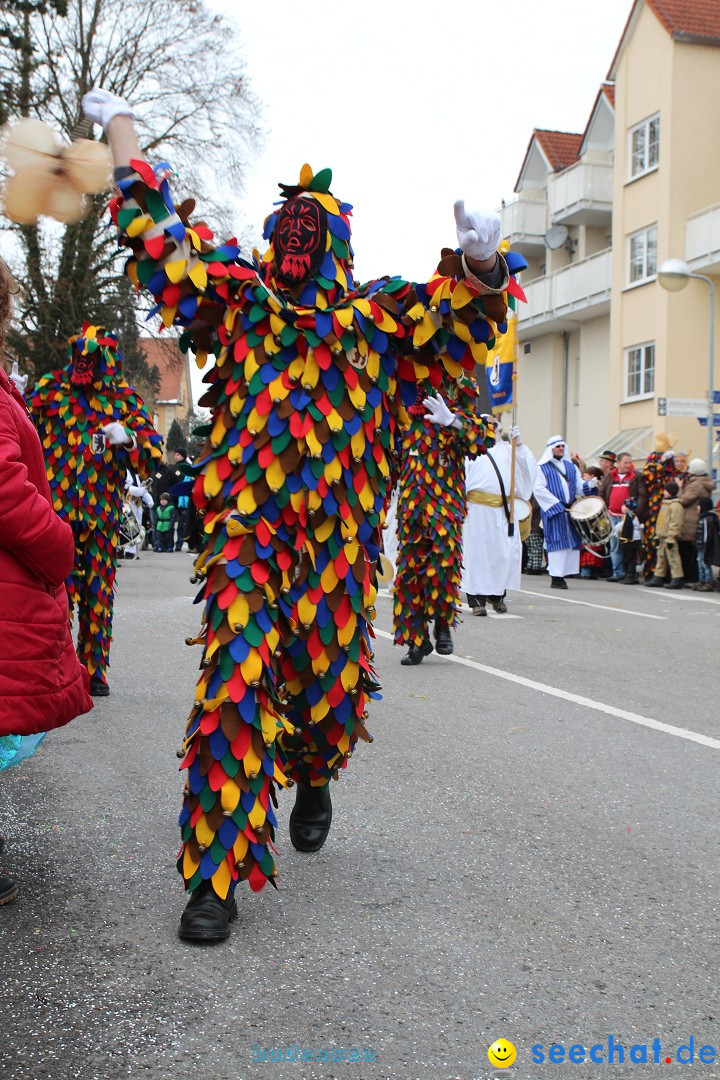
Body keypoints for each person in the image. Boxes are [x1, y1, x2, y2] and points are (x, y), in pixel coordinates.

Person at [83, 86, 526, 941]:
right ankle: (214, 878)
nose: (293, 243)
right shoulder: (239, 303)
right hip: (250, 538)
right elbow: (159, 240)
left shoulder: (380, 320)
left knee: (323, 691)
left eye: (309, 232)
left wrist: (476, 267)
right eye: (284, 229)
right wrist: (123, 135)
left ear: (336, 246)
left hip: (341, 546)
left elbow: (455, 323)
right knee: (234, 681)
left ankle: (315, 772)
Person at [0, 260, 93, 907]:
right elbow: (9, 492)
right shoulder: (48, 392)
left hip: (96, 516)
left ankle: (101, 666)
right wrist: (58, 544)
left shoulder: (113, 403)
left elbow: (145, 446)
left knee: (98, 614)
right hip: (32, 552)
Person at [22, 325, 163, 696]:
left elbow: (153, 457)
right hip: (55, 517)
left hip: (101, 518)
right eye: (79, 356)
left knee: (98, 594)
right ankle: (53, 669)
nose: (84, 363)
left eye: (92, 356)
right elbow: (17, 429)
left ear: (106, 360)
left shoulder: (124, 401)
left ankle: (94, 670)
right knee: (54, 595)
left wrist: (130, 440)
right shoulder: (50, 391)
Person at [394, 376, 489, 664]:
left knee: (443, 566)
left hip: (445, 505)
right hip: (411, 506)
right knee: (410, 574)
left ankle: (443, 625)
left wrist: (454, 421)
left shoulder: (454, 399)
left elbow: (484, 439)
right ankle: (416, 640)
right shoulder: (402, 406)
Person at [461, 421, 537, 615]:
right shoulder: (470, 451)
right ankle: (476, 600)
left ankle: (496, 596)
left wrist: (519, 447)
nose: (491, 428)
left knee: (501, 554)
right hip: (476, 511)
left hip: (502, 510)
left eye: (495, 425)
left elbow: (527, 471)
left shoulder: (507, 450)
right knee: (477, 555)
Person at [533, 436, 596, 589]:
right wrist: (555, 504)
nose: (560, 448)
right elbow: (538, 489)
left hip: (570, 510)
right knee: (557, 542)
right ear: (550, 449)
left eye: (562, 446)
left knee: (570, 542)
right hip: (555, 510)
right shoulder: (542, 467)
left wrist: (590, 484)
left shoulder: (571, 467)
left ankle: (564, 573)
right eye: (557, 446)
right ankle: (556, 576)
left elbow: (579, 486)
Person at [599, 451, 648, 582]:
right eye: (625, 462)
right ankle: (617, 572)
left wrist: (636, 512)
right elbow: (602, 493)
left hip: (628, 516)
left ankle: (628, 572)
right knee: (614, 545)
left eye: (629, 462)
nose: (628, 465)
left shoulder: (636, 476)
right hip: (612, 514)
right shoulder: (610, 476)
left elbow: (642, 495)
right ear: (618, 463)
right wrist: (603, 509)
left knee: (628, 545)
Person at [641, 435, 678, 579]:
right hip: (653, 508)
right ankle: (651, 571)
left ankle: (666, 573)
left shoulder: (671, 470)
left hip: (666, 508)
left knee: (665, 541)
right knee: (651, 540)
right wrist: (659, 464)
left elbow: (673, 480)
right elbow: (648, 477)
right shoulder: (652, 464)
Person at [678, 458, 714, 585]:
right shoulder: (706, 482)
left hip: (690, 521)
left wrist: (679, 487)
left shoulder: (695, 485)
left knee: (687, 551)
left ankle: (691, 577)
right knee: (694, 552)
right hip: (696, 519)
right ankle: (697, 577)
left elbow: (683, 500)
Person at [645, 481, 684, 589]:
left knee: (673, 558)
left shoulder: (675, 506)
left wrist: (672, 536)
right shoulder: (665, 504)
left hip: (670, 537)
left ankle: (677, 578)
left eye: (665, 490)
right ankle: (658, 576)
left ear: (670, 492)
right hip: (663, 536)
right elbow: (661, 521)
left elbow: (676, 522)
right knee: (661, 559)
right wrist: (658, 535)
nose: (663, 492)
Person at [123, 468, 153, 559]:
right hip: (128, 503)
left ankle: (132, 551)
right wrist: (140, 491)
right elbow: (127, 487)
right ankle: (126, 551)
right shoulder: (125, 471)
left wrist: (148, 499)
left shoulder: (136, 474)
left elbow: (141, 487)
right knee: (127, 527)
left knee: (135, 527)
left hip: (137, 504)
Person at [614, 497, 642, 584]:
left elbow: (620, 526)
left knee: (630, 558)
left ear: (628, 507)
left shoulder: (629, 516)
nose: (621, 507)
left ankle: (630, 576)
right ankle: (629, 575)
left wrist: (614, 530)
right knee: (628, 557)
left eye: (623, 505)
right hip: (633, 539)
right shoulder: (631, 515)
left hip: (631, 540)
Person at [693, 496, 719, 591]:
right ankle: (702, 580)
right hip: (700, 546)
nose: (697, 508)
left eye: (699, 506)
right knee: (700, 563)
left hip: (704, 546)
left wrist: (704, 545)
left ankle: (709, 581)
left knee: (705, 564)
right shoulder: (702, 518)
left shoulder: (706, 519)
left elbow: (706, 535)